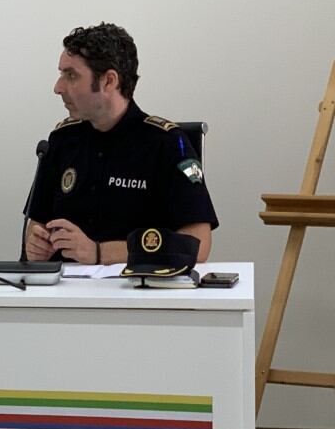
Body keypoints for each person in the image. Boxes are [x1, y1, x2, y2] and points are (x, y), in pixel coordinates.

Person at [24, 23, 217, 265]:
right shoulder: (61, 141)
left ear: (108, 81)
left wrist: (100, 253)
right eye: (61, 74)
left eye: (71, 75)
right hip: (67, 293)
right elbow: (36, 225)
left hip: (140, 293)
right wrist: (36, 245)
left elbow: (198, 245)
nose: (58, 87)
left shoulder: (167, 144)